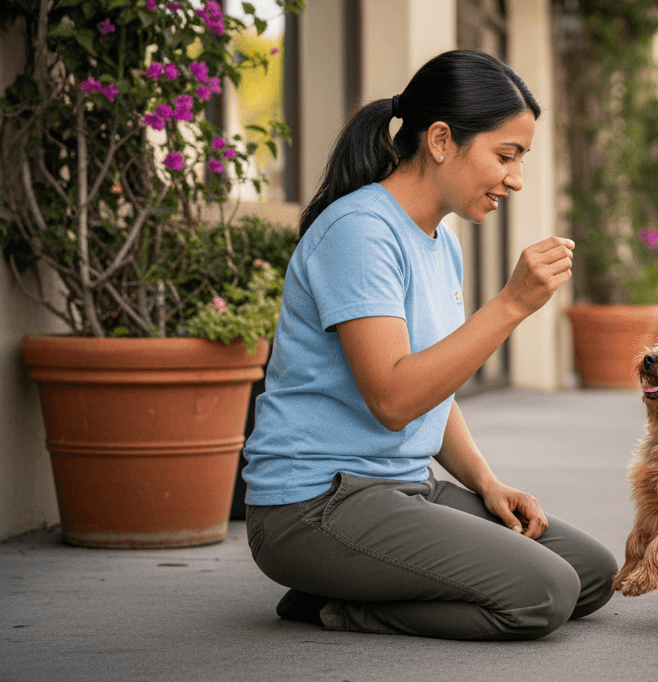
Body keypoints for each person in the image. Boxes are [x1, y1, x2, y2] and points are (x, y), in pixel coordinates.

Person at [242, 49, 616, 641]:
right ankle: (332, 605)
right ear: (442, 140)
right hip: (315, 506)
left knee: (591, 574)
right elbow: (394, 397)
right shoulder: (359, 231)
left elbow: (432, 387)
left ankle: (351, 585)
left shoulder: (440, 241)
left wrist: (486, 483)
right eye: (506, 155)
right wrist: (512, 304)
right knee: (543, 594)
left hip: (403, 489)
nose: (516, 178)